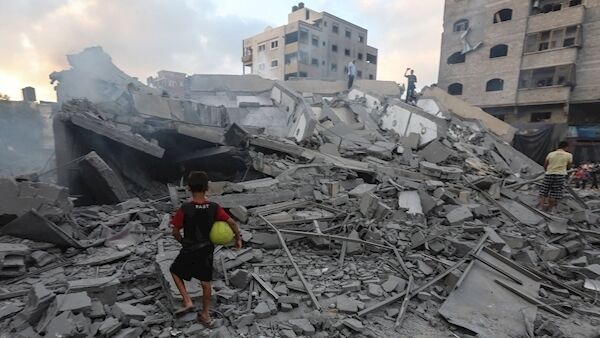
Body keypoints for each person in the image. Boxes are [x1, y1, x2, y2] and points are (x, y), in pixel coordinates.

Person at [170, 171, 242, 326]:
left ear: (188, 188)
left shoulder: (185, 208)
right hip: (206, 249)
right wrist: (237, 239)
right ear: (207, 188)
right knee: (205, 282)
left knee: (175, 271)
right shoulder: (214, 207)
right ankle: (206, 315)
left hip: (189, 247)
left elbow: (175, 231)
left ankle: (187, 300)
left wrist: (182, 241)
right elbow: (233, 223)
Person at [537, 141, 573, 212]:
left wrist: (548, 171)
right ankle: (550, 209)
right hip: (560, 175)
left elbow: (545, 165)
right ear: (566, 147)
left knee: (544, 191)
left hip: (549, 174)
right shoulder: (568, 155)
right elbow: (568, 167)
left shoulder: (551, 154)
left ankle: (540, 208)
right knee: (554, 193)